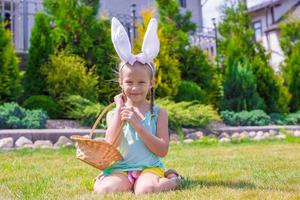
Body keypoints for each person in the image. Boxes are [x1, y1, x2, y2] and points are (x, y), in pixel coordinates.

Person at [93, 17, 183, 195]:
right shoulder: (113, 114)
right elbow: (110, 145)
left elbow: (162, 150)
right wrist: (119, 113)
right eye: (129, 82)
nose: (135, 88)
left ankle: (173, 179)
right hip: (121, 169)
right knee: (105, 190)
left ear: (152, 82)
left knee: (145, 190)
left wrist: (137, 125)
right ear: (120, 82)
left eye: (141, 82)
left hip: (149, 167)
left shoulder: (158, 113)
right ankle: (103, 181)